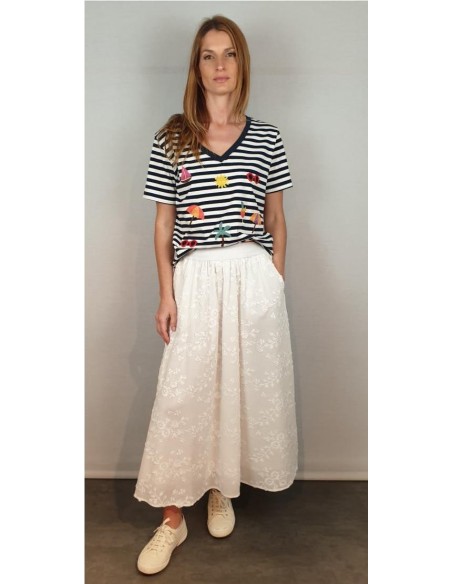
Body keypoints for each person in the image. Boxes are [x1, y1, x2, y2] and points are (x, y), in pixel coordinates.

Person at [134, 14, 298, 575]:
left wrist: (275, 279)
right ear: (196, 66)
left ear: (241, 64)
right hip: (197, 276)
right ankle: (172, 520)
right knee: (184, 393)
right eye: (209, 55)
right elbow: (163, 225)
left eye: (229, 54)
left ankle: (220, 488)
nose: (220, 65)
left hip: (252, 277)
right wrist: (166, 295)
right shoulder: (172, 137)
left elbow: (276, 219)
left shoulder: (268, 138)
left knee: (235, 388)